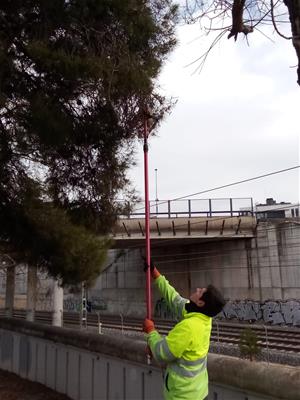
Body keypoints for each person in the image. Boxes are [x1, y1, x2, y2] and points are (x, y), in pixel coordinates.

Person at [143, 262, 226, 400]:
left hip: (182, 395)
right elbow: (175, 300)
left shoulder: (189, 327)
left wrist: (150, 331)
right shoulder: (204, 317)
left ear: (200, 303)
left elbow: (161, 353)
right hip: (198, 391)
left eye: (201, 292)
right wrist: (156, 275)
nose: (198, 289)